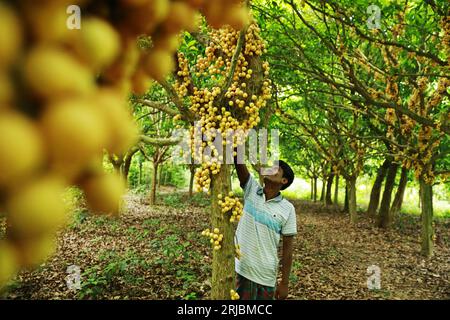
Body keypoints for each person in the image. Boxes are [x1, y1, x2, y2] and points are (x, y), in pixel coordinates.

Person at [234, 158, 297, 300]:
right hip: (241, 270)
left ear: (284, 181)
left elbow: (287, 249)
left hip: (266, 277)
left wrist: (285, 283)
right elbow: (238, 161)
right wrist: (235, 140)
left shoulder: (288, 209)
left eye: (276, 170)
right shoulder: (251, 189)